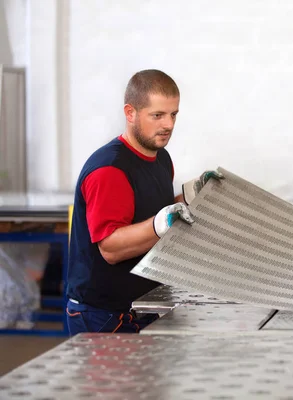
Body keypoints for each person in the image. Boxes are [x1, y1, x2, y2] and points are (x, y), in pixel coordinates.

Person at [66, 69, 223, 336]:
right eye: (157, 115)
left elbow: (152, 212)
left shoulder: (161, 158)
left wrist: (193, 196)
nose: (169, 125)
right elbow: (111, 248)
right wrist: (164, 223)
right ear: (130, 113)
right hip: (103, 314)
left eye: (173, 114)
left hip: (143, 303)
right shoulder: (109, 170)